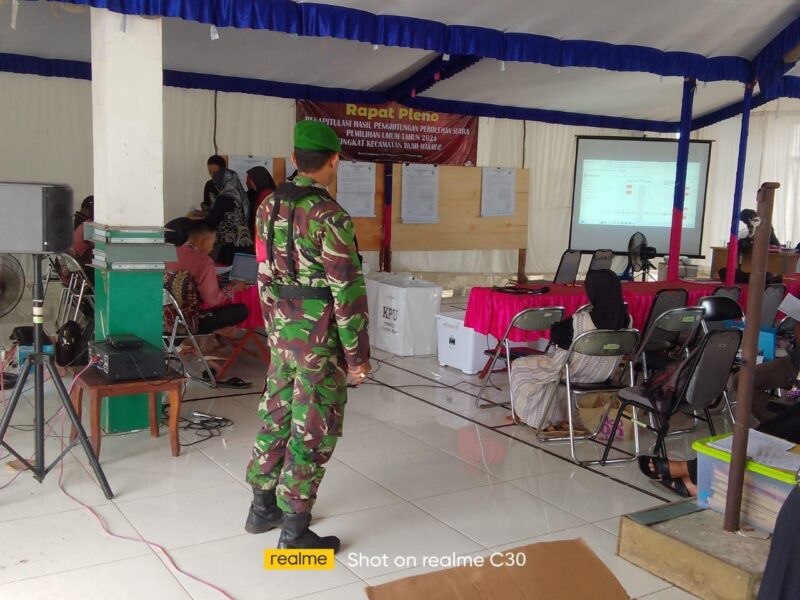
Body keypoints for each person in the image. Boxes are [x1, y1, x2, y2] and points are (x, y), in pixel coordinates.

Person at [244, 120, 370, 553]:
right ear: (334, 160)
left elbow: (263, 274)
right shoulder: (330, 216)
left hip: (282, 330)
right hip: (319, 338)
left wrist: (274, 328)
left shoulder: (267, 208)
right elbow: (347, 293)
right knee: (312, 425)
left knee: (277, 413)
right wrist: (357, 357)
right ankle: (295, 534)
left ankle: (262, 508)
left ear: (295, 159)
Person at [640, 320, 800, 497]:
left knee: (781, 429)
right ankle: (697, 473)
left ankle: (694, 472)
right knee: (777, 425)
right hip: (795, 361)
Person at [509, 269, 628, 433]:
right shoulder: (628, 321)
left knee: (520, 366)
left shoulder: (581, 321)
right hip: (603, 375)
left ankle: (533, 417)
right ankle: (561, 417)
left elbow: (556, 335)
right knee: (555, 375)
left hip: (572, 373)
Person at [164, 220, 249, 335]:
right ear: (204, 242)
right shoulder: (204, 261)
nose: (213, 248)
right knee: (241, 310)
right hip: (185, 322)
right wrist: (232, 287)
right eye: (213, 243)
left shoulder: (168, 254)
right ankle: (211, 332)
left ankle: (215, 332)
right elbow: (212, 300)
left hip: (161, 319)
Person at [206, 168, 254, 265]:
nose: (215, 184)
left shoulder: (223, 198)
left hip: (229, 245)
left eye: (216, 181)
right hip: (244, 242)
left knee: (227, 274)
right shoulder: (241, 195)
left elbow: (211, 221)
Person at [245, 166, 276, 236]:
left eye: (251, 179)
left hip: (263, 232)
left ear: (258, 179)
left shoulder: (266, 194)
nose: (249, 182)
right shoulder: (257, 193)